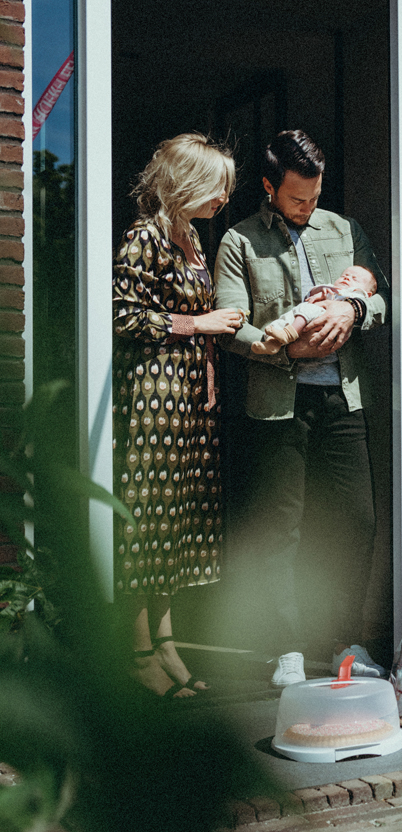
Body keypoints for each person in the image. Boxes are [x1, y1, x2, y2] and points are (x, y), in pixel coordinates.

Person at [214, 130, 389, 686]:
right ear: (269, 187)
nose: (309, 208)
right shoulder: (238, 242)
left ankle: (342, 642)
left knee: (355, 521)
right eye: (297, 199)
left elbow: (382, 296)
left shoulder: (345, 230)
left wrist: (354, 312)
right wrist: (280, 344)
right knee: (281, 529)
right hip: (276, 405)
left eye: (315, 197)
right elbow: (229, 325)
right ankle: (286, 647)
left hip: (344, 398)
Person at [113, 133, 244, 698]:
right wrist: (201, 325)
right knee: (147, 522)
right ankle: (138, 653)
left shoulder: (188, 236)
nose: (223, 199)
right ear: (187, 181)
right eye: (217, 186)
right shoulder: (145, 235)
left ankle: (165, 646)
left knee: (171, 525)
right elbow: (121, 314)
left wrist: (214, 351)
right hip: (153, 393)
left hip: (187, 394)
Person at [252, 265, 377, 355]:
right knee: (286, 318)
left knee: (308, 309)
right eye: (344, 275)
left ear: (368, 293)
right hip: (303, 317)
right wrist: (321, 290)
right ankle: (272, 343)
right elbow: (311, 293)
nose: (347, 279)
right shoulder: (332, 289)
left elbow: (353, 309)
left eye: (355, 279)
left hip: (325, 321)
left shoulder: (358, 296)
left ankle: (289, 334)